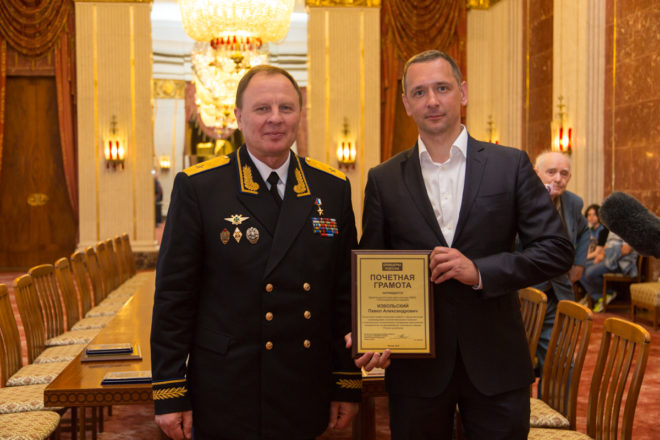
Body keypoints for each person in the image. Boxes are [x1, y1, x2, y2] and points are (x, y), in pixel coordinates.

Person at [352, 50, 574, 439]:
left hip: (496, 362)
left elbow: (556, 250)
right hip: (416, 368)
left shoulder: (510, 165)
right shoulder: (384, 179)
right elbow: (372, 264)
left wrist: (480, 271)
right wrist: (375, 333)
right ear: (406, 104)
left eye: (442, 88)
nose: (432, 101)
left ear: (463, 93)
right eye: (419, 92)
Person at [151, 65, 361, 440]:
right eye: (262, 108)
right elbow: (174, 297)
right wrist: (170, 391)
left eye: (286, 107)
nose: (275, 118)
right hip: (228, 383)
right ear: (238, 116)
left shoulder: (331, 188)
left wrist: (345, 381)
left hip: (303, 381)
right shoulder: (200, 187)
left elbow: (345, 294)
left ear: (300, 114)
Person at [532, 151, 589, 380]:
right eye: (551, 172)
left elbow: (584, 231)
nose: (558, 179)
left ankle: (554, 404)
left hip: (558, 292)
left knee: (561, 362)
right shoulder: (520, 199)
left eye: (564, 174)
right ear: (536, 173)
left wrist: (579, 263)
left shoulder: (573, 203)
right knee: (516, 363)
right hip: (523, 294)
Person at [580, 231, 638, 312]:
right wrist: (601, 255)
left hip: (621, 263)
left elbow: (626, 250)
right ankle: (599, 297)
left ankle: (607, 294)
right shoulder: (613, 229)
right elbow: (606, 245)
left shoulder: (630, 230)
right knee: (580, 268)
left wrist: (607, 255)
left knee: (590, 272)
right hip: (608, 259)